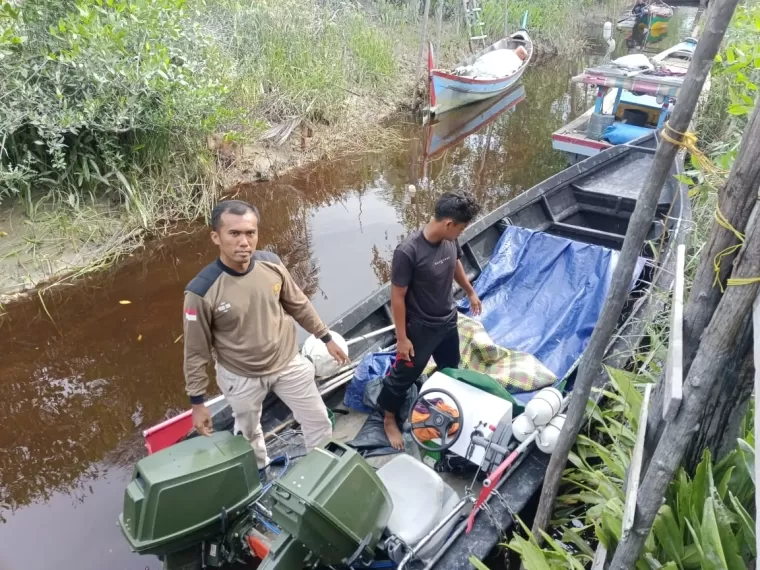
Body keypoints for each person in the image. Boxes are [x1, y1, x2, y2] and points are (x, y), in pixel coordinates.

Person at [183, 199, 349, 471]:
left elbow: (298, 304)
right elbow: (195, 350)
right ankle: (261, 470)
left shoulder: (271, 265)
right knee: (249, 434)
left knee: (318, 421)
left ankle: (320, 471)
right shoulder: (201, 291)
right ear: (216, 237)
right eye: (234, 233)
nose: (244, 242)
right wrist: (197, 402)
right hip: (241, 375)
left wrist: (326, 338)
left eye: (250, 233)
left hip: (287, 363)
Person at [379, 191, 483, 449]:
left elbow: (456, 263)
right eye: (461, 227)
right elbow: (398, 299)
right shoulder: (408, 251)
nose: (461, 232)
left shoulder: (450, 240)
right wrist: (402, 339)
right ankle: (388, 419)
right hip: (421, 328)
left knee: (451, 365)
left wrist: (470, 292)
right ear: (449, 224)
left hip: (448, 320)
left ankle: (442, 402)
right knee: (404, 375)